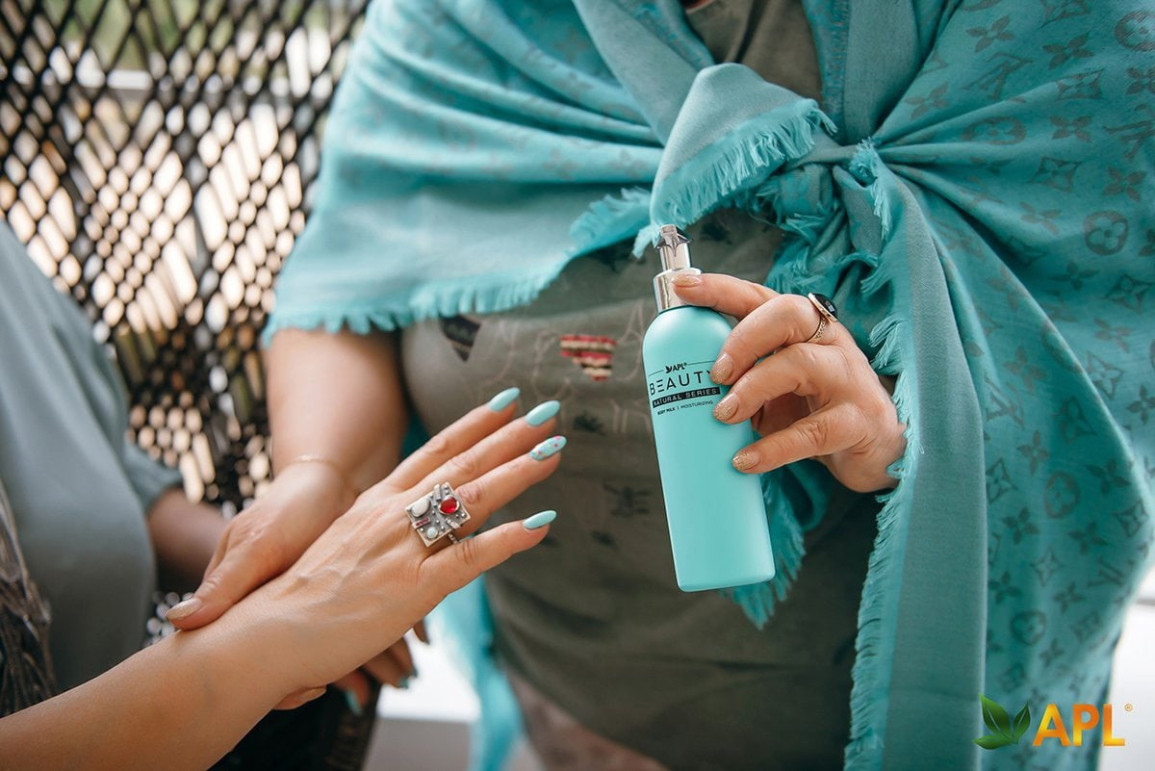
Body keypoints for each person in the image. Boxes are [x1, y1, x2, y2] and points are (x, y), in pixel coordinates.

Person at [171, 1, 1153, 769]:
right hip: (566, 719)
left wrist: (913, 426)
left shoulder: (1061, 31)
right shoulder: (458, 21)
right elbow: (352, 279)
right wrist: (321, 473)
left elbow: (1112, 377)